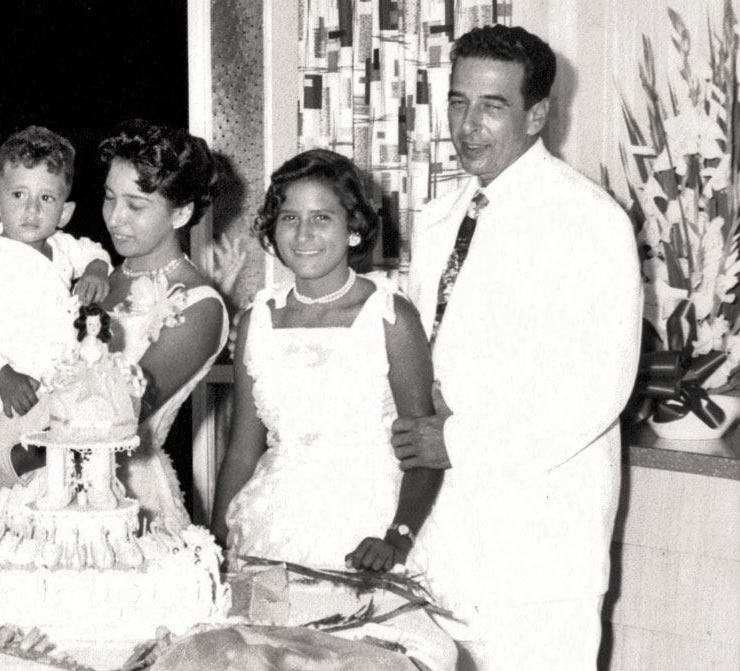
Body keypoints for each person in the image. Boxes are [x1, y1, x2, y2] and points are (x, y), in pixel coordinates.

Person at [394, 25, 641, 669]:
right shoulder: (439, 217)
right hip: (442, 535)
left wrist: (460, 440)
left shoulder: (590, 223)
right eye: (458, 102)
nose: (468, 125)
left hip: (538, 544)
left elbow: (595, 390)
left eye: (492, 105)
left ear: (537, 115)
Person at [0, 119, 226, 555]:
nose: (114, 218)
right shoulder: (92, 274)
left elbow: (117, 414)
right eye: (109, 198)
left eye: (136, 205)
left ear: (181, 213)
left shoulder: (199, 305)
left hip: (119, 496)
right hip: (38, 472)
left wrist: (14, 457)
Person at [209, 149, 442, 574]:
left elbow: (423, 449)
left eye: (321, 218)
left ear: (353, 228)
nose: (303, 234)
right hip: (273, 521)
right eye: (289, 218)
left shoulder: (389, 316)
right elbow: (243, 449)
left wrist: (397, 537)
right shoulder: (258, 319)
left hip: (371, 522)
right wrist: (214, 548)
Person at [0, 125, 112, 448]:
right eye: (18, 195)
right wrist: (3, 375)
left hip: (60, 389)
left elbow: (93, 251)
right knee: (29, 478)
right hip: (13, 396)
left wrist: (95, 270)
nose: (32, 209)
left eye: (46, 198)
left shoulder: (61, 245)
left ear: (64, 212)